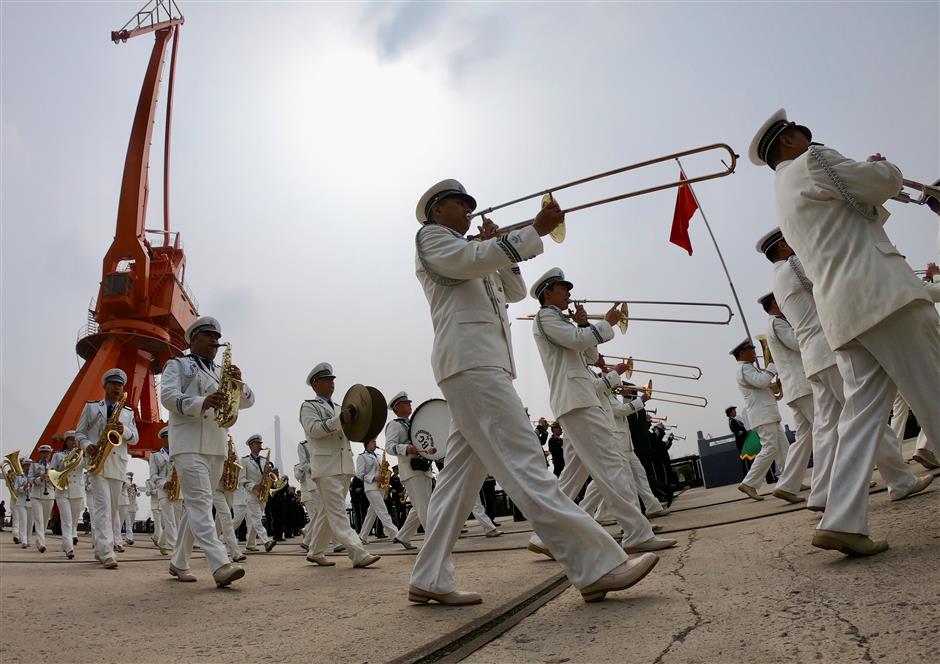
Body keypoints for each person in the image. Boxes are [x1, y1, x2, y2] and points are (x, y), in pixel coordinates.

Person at [409, 179, 659, 606]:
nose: (469, 209)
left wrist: (503, 247)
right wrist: (532, 232)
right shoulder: (432, 240)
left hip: (480, 365)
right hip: (470, 363)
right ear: (437, 211)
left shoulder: (472, 251)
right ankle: (594, 564)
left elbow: (514, 291)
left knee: (456, 483)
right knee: (526, 460)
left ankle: (429, 575)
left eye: (470, 204)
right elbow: (471, 260)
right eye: (459, 204)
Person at [751, 110, 940, 555]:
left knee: (859, 420)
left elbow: (859, 213)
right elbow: (879, 184)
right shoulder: (813, 162)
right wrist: (882, 168)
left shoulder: (785, 188)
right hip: (883, 296)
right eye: (801, 133)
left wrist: (872, 181)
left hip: (845, 314)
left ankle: (843, 520)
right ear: (788, 142)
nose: (809, 137)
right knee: (934, 387)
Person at [757, 227, 933, 537]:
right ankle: (901, 481)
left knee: (826, 428)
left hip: (814, 358)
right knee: (869, 416)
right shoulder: (795, 265)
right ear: (785, 245)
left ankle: (822, 492)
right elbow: (832, 276)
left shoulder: (778, 276)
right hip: (829, 349)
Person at [160, 316, 253, 586]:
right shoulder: (178, 365)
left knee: (195, 507)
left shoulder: (218, 372)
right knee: (201, 504)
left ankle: (178, 562)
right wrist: (201, 402)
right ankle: (220, 563)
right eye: (209, 336)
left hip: (215, 446)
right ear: (193, 339)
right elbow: (167, 396)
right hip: (187, 443)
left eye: (217, 337)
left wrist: (239, 383)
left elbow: (247, 401)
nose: (215, 341)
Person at [299, 363, 380, 569]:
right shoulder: (309, 406)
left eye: (333, 380)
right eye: (327, 380)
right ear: (315, 384)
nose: (332, 383)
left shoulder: (338, 408)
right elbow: (314, 429)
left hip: (343, 466)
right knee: (338, 513)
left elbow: (348, 434)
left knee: (328, 512)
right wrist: (339, 419)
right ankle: (358, 553)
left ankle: (315, 551)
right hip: (326, 467)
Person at [74, 368, 139, 569]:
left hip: (117, 464)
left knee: (112, 510)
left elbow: (136, 438)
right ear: (105, 386)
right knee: (102, 508)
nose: (118, 388)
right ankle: (107, 552)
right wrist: (87, 445)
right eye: (114, 384)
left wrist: (124, 430)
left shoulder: (127, 413)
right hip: (97, 464)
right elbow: (79, 434)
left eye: (120, 385)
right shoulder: (92, 408)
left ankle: (101, 548)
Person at [758, 293, 814, 503]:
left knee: (804, 437)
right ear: (774, 304)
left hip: (797, 388)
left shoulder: (778, 323)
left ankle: (787, 485)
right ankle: (839, 481)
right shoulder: (778, 325)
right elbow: (798, 343)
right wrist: (803, 322)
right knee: (828, 430)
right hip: (802, 386)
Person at [730, 340, 788, 501]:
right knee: (770, 448)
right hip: (763, 415)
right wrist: (771, 368)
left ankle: (790, 481)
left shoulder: (750, 369)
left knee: (784, 449)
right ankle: (749, 483)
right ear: (742, 353)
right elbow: (762, 382)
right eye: (751, 350)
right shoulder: (744, 369)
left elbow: (764, 387)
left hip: (768, 414)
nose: (755, 353)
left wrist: (776, 386)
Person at [384, 392, 430, 550]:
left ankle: (403, 536)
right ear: (397, 407)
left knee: (420, 507)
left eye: (410, 402)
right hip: (410, 470)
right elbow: (389, 447)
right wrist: (407, 448)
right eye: (405, 403)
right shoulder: (394, 425)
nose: (410, 404)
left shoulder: (415, 423)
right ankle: (434, 541)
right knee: (425, 507)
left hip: (422, 468)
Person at [356, 439, 400, 545]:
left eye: (375, 441)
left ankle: (362, 537)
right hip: (371, 487)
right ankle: (396, 535)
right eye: (372, 441)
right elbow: (359, 474)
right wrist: (374, 478)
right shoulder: (362, 457)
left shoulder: (379, 456)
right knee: (383, 511)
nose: (375, 443)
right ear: (366, 444)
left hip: (380, 487)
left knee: (372, 513)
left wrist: (385, 467)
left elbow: (382, 470)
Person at [239, 435, 277, 553]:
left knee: (257, 518)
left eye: (261, 443)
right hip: (251, 493)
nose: (260, 446)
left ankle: (250, 544)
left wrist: (269, 473)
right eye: (257, 444)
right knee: (256, 518)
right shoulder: (244, 460)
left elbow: (266, 475)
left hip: (262, 492)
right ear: (251, 445)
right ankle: (266, 541)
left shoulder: (264, 460)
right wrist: (253, 485)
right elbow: (241, 479)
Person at [50, 432, 86, 558]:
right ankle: (69, 548)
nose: (74, 442)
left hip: (77, 490)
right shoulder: (58, 455)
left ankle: (66, 543)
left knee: (74, 521)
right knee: (67, 520)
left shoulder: (82, 455)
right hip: (62, 490)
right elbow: (52, 470)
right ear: (66, 441)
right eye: (71, 440)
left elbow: (88, 466)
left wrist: (86, 454)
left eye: (75, 440)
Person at [148, 428, 179, 555]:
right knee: (170, 519)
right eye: (166, 437)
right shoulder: (155, 455)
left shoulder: (178, 453)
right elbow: (153, 475)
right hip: (163, 489)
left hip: (177, 489)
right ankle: (175, 549)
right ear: (163, 439)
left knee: (175, 520)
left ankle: (162, 542)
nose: (169, 439)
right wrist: (163, 483)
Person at [27, 445, 56, 553]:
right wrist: (40, 478)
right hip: (36, 495)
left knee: (44, 520)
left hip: (49, 495)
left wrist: (51, 478)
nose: (45, 454)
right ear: (40, 453)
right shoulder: (34, 465)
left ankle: (39, 541)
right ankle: (42, 544)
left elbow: (57, 479)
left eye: (47, 453)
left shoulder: (53, 466)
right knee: (38, 520)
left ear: (50, 454)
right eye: (43, 452)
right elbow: (30, 478)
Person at [13, 460, 31, 547]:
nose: (28, 467)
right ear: (23, 467)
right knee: (23, 521)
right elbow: (15, 489)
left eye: (30, 465)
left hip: (31, 501)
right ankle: (24, 541)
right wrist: (23, 488)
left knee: (30, 523)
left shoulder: (33, 477)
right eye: (26, 465)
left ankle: (28, 539)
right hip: (21, 501)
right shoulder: (19, 477)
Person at [118, 472, 139, 545]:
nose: (130, 479)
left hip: (133, 507)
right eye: (129, 478)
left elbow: (138, 494)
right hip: (126, 505)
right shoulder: (125, 485)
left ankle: (128, 537)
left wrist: (135, 488)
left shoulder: (135, 486)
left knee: (131, 523)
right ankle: (129, 538)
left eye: (131, 478)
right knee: (128, 523)